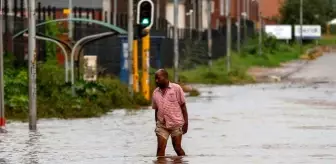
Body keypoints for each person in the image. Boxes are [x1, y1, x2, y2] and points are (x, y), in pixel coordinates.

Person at [152, 69, 189, 157]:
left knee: (177, 148)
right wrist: (157, 124)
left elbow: (183, 107)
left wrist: (186, 123)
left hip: (176, 124)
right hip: (162, 125)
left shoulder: (176, 88)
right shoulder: (155, 92)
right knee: (160, 150)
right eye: (155, 79)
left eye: (158, 78)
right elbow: (156, 109)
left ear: (165, 77)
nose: (156, 80)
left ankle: (183, 161)